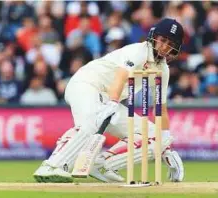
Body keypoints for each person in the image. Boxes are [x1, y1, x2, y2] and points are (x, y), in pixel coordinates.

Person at [33, 18, 184, 183]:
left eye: (170, 43)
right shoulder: (138, 51)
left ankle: (103, 165)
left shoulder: (163, 70)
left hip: (108, 99)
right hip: (87, 84)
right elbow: (120, 77)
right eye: (162, 40)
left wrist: (166, 147)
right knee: (90, 124)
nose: (164, 46)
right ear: (154, 37)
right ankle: (52, 165)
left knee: (157, 137)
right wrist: (112, 102)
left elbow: (160, 109)